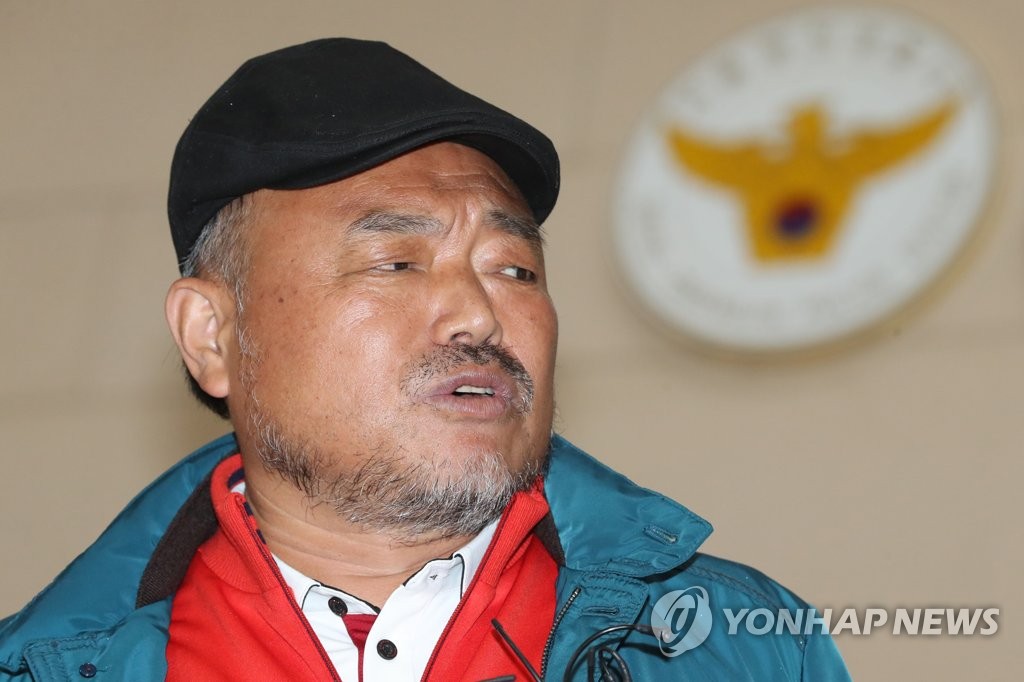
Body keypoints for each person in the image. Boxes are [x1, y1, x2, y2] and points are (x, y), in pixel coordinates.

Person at [0, 38, 850, 681]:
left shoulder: (741, 644)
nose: (479, 314)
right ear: (211, 336)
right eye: (397, 262)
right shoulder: (44, 664)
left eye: (515, 270)